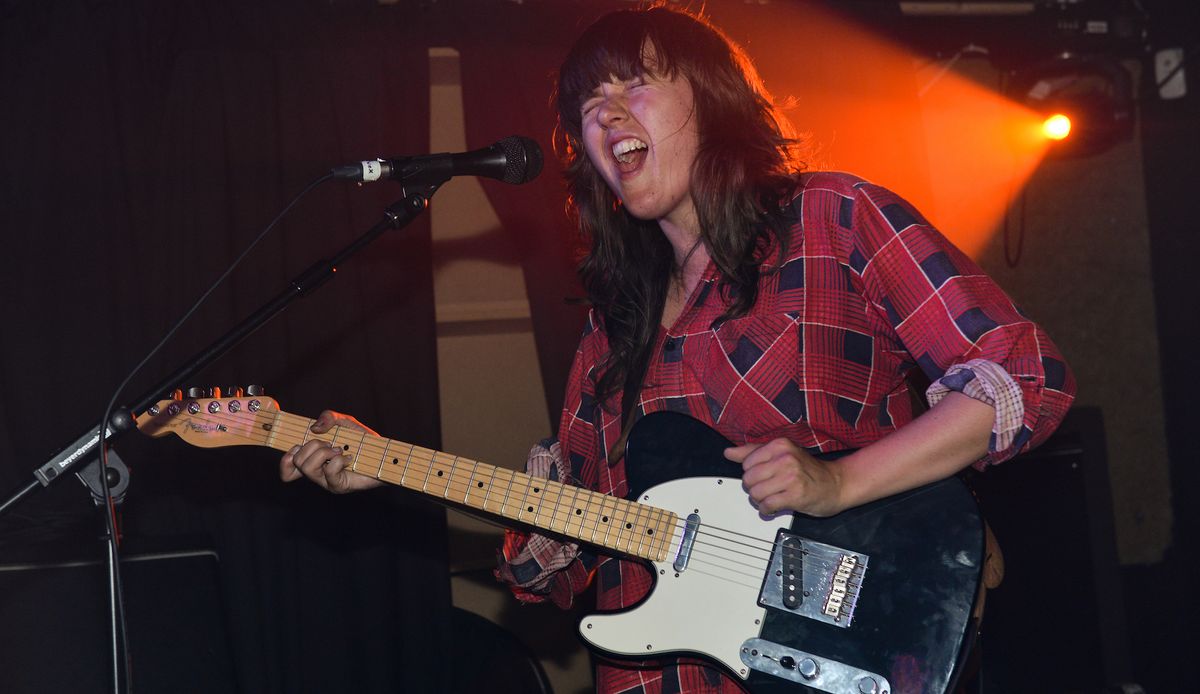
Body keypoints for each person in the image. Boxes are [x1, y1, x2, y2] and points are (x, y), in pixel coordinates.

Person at [282, 6, 1075, 693]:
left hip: (854, 642)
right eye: (590, 101)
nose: (606, 113)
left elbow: (1022, 377)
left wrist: (837, 482)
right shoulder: (609, 332)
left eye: (635, 84)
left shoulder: (832, 219)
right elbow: (546, 577)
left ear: (713, 100)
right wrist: (384, 464)